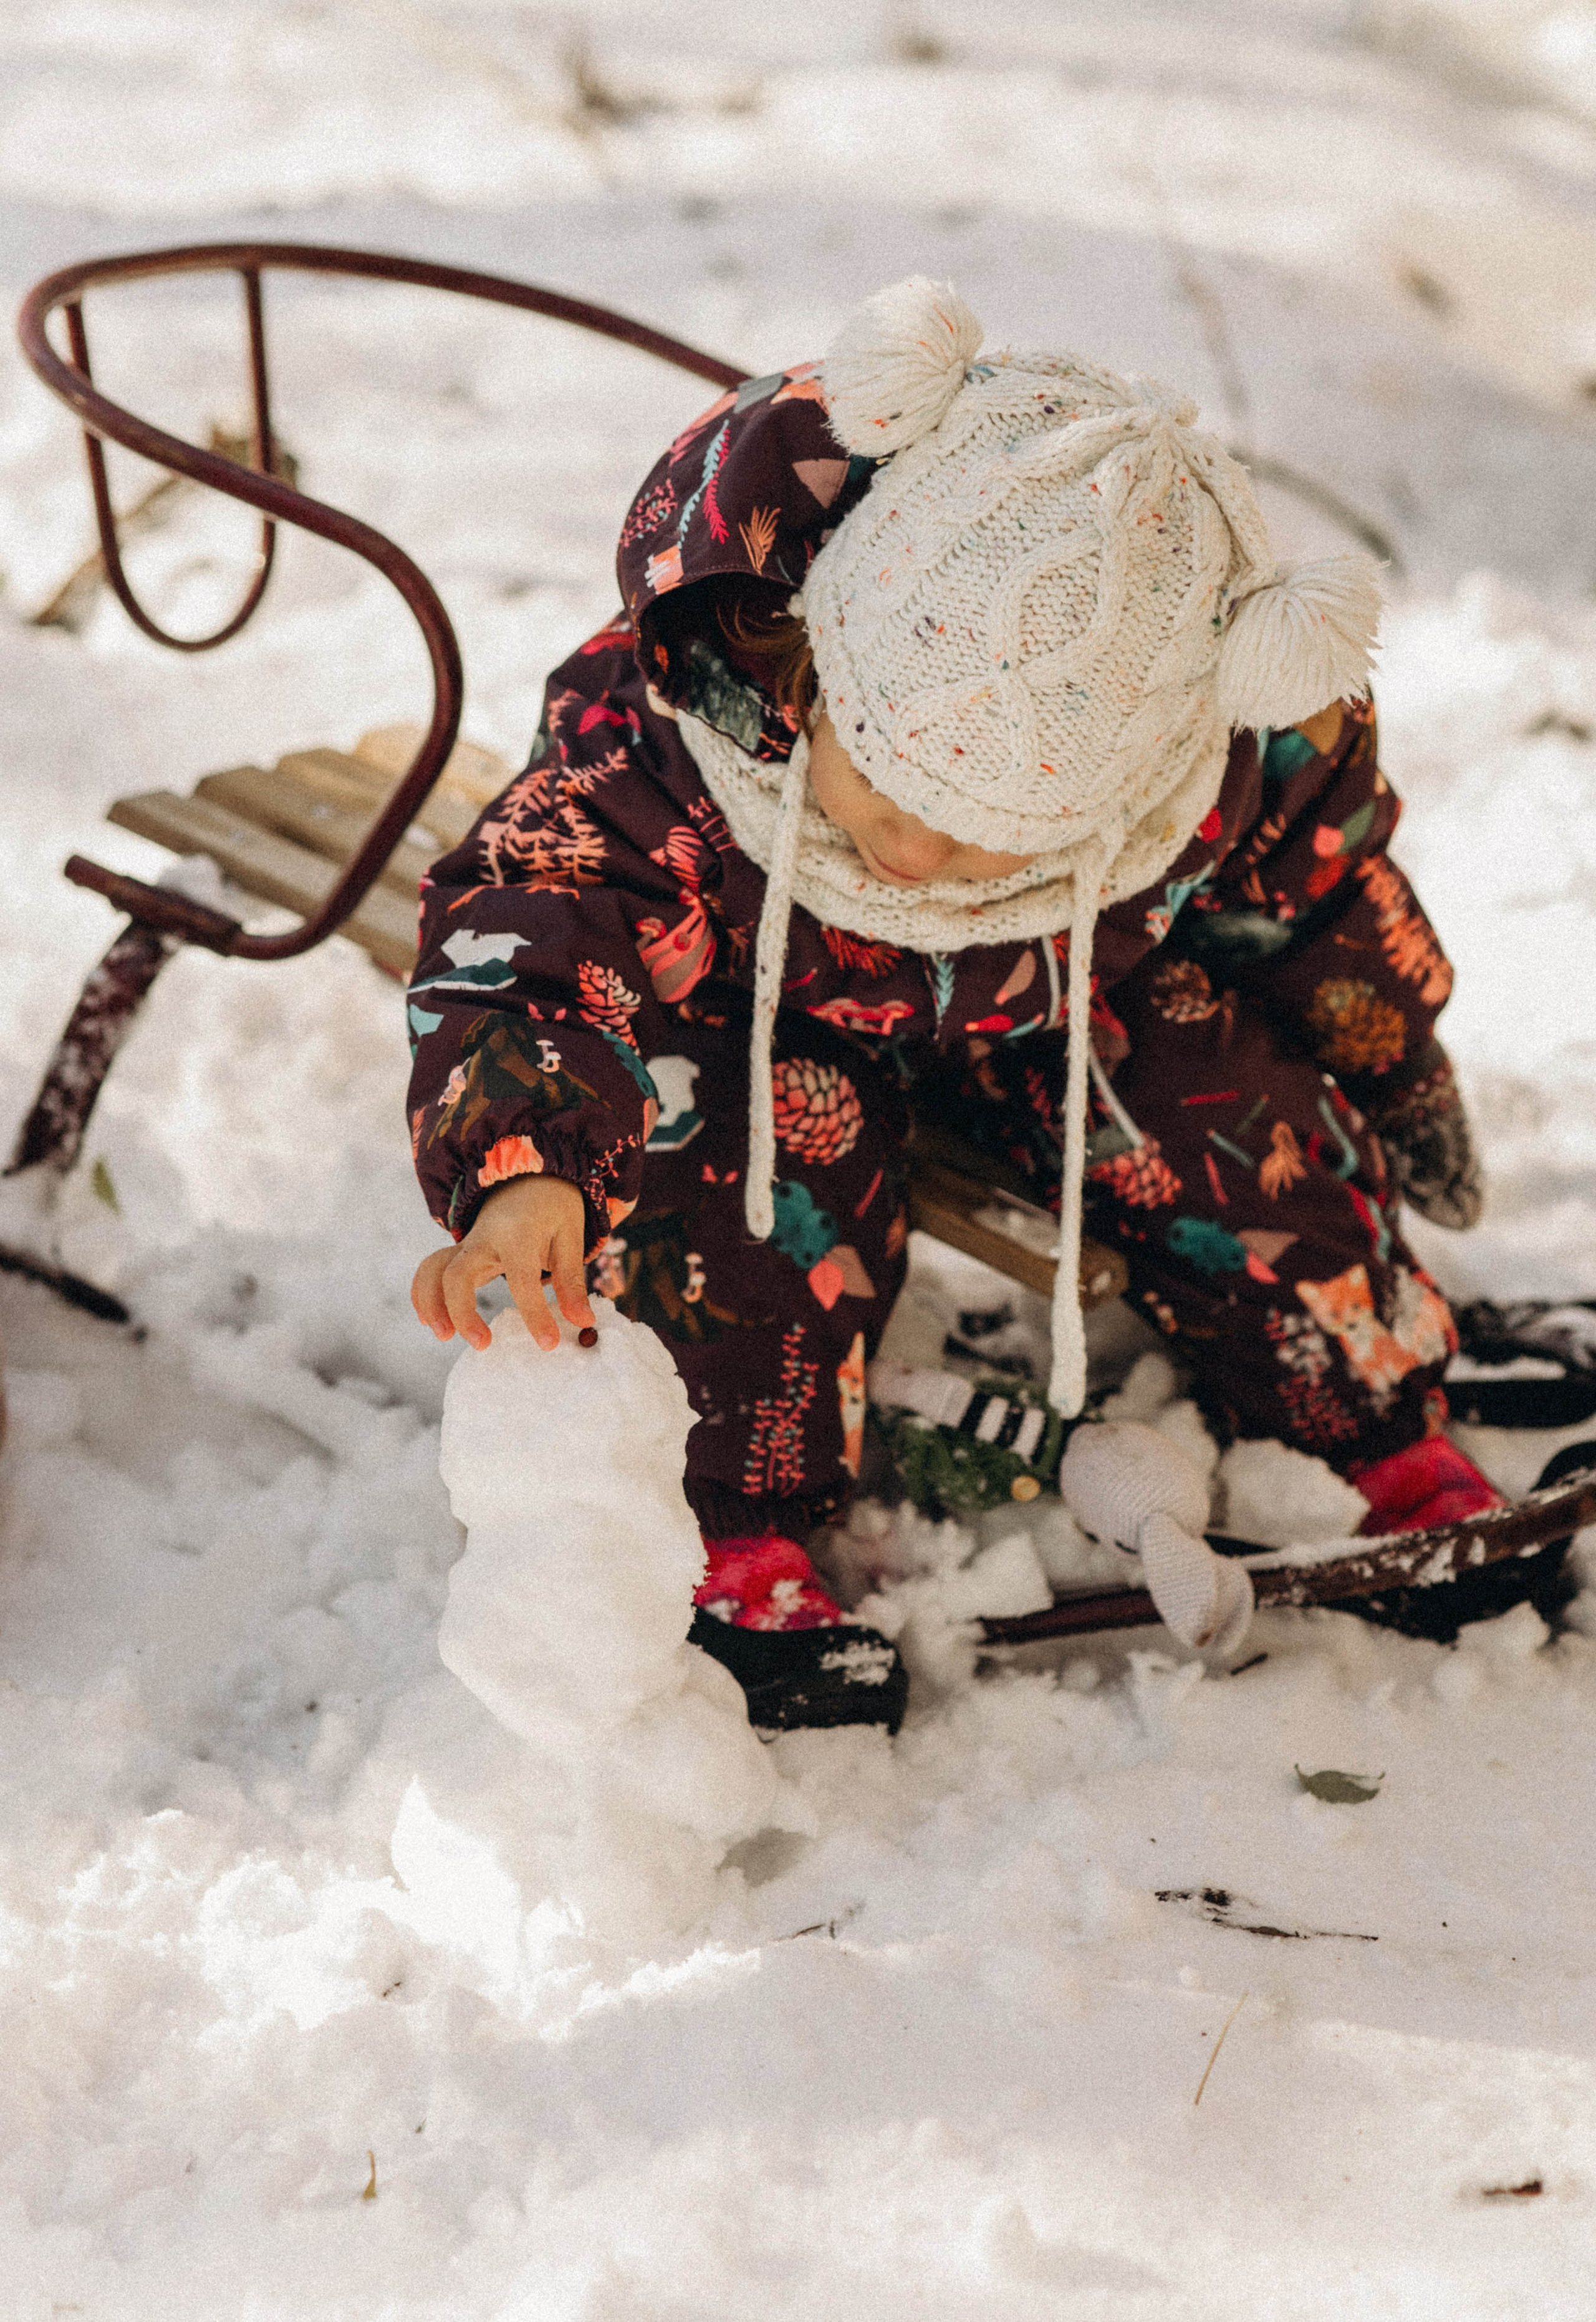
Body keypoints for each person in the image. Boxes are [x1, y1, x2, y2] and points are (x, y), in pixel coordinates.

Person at [407, 277, 1496, 1716]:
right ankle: (728, 1525)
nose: (913, 855)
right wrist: (523, 1160)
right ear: (821, 656)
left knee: (1228, 1106)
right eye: (882, 784)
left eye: (985, 833)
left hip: (1060, 992)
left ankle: (1364, 1413)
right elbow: (537, 924)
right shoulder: (678, 744)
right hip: (759, 1001)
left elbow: (1315, 894)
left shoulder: (1205, 760)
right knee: (739, 1183)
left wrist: (1393, 1055)